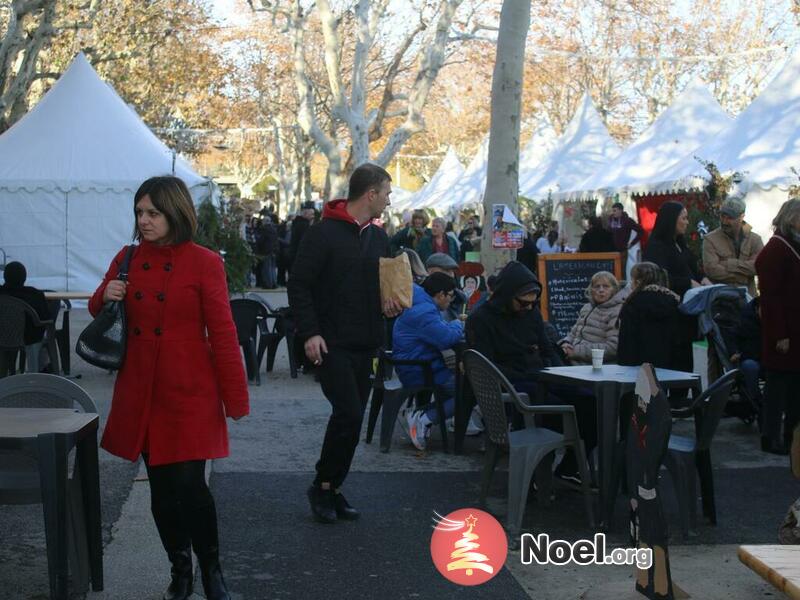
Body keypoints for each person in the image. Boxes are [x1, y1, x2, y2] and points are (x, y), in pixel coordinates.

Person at [89, 176, 249, 600]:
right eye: (140, 213)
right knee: (160, 490)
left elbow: (223, 331)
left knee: (191, 487)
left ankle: (212, 570)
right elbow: (96, 303)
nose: (144, 220)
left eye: (153, 213)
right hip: (142, 389)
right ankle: (180, 568)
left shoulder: (204, 262)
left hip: (189, 389)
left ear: (175, 213)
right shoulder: (127, 257)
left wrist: (234, 398)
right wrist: (108, 292)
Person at [288, 163, 402, 524]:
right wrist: (310, 332)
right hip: (331, 343)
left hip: (367, 343)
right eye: (386, 192)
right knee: (348, 413)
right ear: (370, 193)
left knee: (351, 420)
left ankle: (333, 487)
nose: (388, 199)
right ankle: (322, 486)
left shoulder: (380, 237)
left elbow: (384, 292)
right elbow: (299, 284)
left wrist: (391, 307)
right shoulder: (322, 234)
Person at [465, 261, 595, 482]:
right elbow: (486, 365)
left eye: (532, 304)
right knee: (558, 411)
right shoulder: (481, 319)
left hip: (541, 377)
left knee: (592, 403)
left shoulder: (531, 313)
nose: (527, 308)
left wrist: (563, 374)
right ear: (507, 295)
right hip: (513, 385)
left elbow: (547, 348)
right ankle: (538, 475)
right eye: (523, 303)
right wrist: (533, 374)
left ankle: (569, 466)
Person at [392, 272, 465, 450]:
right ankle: (425, 418)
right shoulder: (424, 311)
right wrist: (458, 324)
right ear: (440, 294)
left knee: (461, 387)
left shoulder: (420, 301)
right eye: (450, 296)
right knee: (469, 392)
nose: (450, 301)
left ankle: (422, 413)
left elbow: (437, 331)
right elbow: (446, 338)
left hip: (417, 364)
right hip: (419, 370)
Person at [642, 201, 709, 380]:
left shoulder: (680, 244)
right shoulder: (657, 246)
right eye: (684, 218)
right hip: (669, 316)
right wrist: (687, 283)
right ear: (672, 220)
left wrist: (702, 278)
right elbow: (657, 277)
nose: (687, 222)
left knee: (685, 366)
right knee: (672, 367)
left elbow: (691, 268)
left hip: (686, 316)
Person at [755, 198, 800, 455]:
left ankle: (792, 436)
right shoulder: (776, 248)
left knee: (795, 389)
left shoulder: (791, 245)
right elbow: (770, 297)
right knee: (778, 388)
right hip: (783, 331)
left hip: (795, 328)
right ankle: (770, 437)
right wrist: (780, 334)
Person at [617, 262, 680, 369]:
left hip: (638, 366)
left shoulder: (633, 303)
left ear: (637, 282)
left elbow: (627, 341)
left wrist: (624, 366)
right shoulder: (674, 301)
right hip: (669, 365)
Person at [559, 271, 628, 365]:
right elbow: (573, 333)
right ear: (591, 289)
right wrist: (565, 343)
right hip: (572, 362)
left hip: (596, 366)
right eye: (597, 286)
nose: (601, 290)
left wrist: (576, 351)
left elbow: (613, 348)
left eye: (606, 286)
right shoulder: (587, 308)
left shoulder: (617, 311)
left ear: (614, 289)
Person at [702, 196, 764, 296]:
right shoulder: (710, 239)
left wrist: (728, 264)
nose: (724, 221)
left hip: (750, 300)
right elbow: (711, 270)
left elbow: (759, 266)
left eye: (730, 218)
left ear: (741, 217)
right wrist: (743, 276)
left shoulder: (755, 240)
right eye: (722, 216)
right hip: (722, 300)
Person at [0, 261, 50, 345]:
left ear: (4, 276)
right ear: (24, 277)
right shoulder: (34, 294)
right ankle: (37, 358)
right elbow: (45, 317)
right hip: (28, 338)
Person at [425, 252, 465, 320]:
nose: (451, 275)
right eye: (446, 270)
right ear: (431, 271)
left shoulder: (456, 295)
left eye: (452, 271)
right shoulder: (423, 294)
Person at [289, 201, 316, 268]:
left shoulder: (297, 223)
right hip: (299, 257)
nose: (313, 216)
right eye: (311, 214)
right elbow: (304, 242)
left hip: (294, 255)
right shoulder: (304, 225)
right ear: (305, 214)